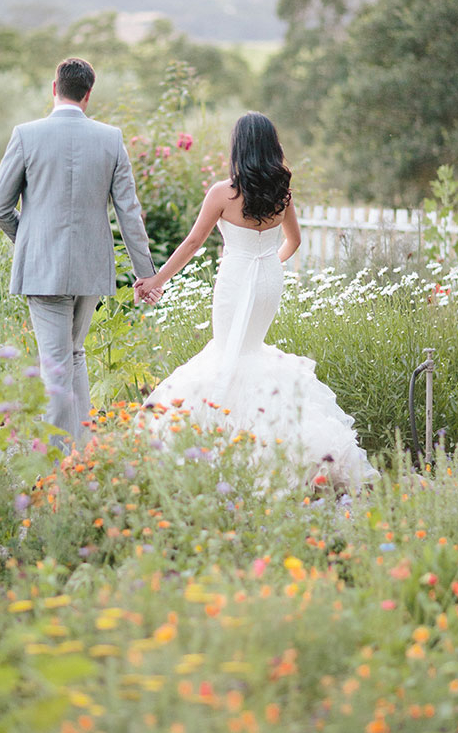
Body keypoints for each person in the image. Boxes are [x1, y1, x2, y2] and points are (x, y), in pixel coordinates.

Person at [135, 111, 378, 491]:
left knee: (227, 353)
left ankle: (222, 448)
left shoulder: (223, 193)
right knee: (249, 351)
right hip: (268, 280)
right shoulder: (282, 192)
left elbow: (194, 242)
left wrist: (156, 280)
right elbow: (294, 241)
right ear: (271, 146)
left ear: (239, 147)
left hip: (236, 279)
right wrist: (267, 265)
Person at [0, 56, 159, 448]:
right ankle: (82, 455)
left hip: (43, 270)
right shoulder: (111, 139)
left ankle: (55, 464)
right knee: (75, 354)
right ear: (88, 95)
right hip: (90, 268)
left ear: (55, 88)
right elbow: (129, 212)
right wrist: (146, 273)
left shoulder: (26, 135)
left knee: (55, 367)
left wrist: (30, 242)